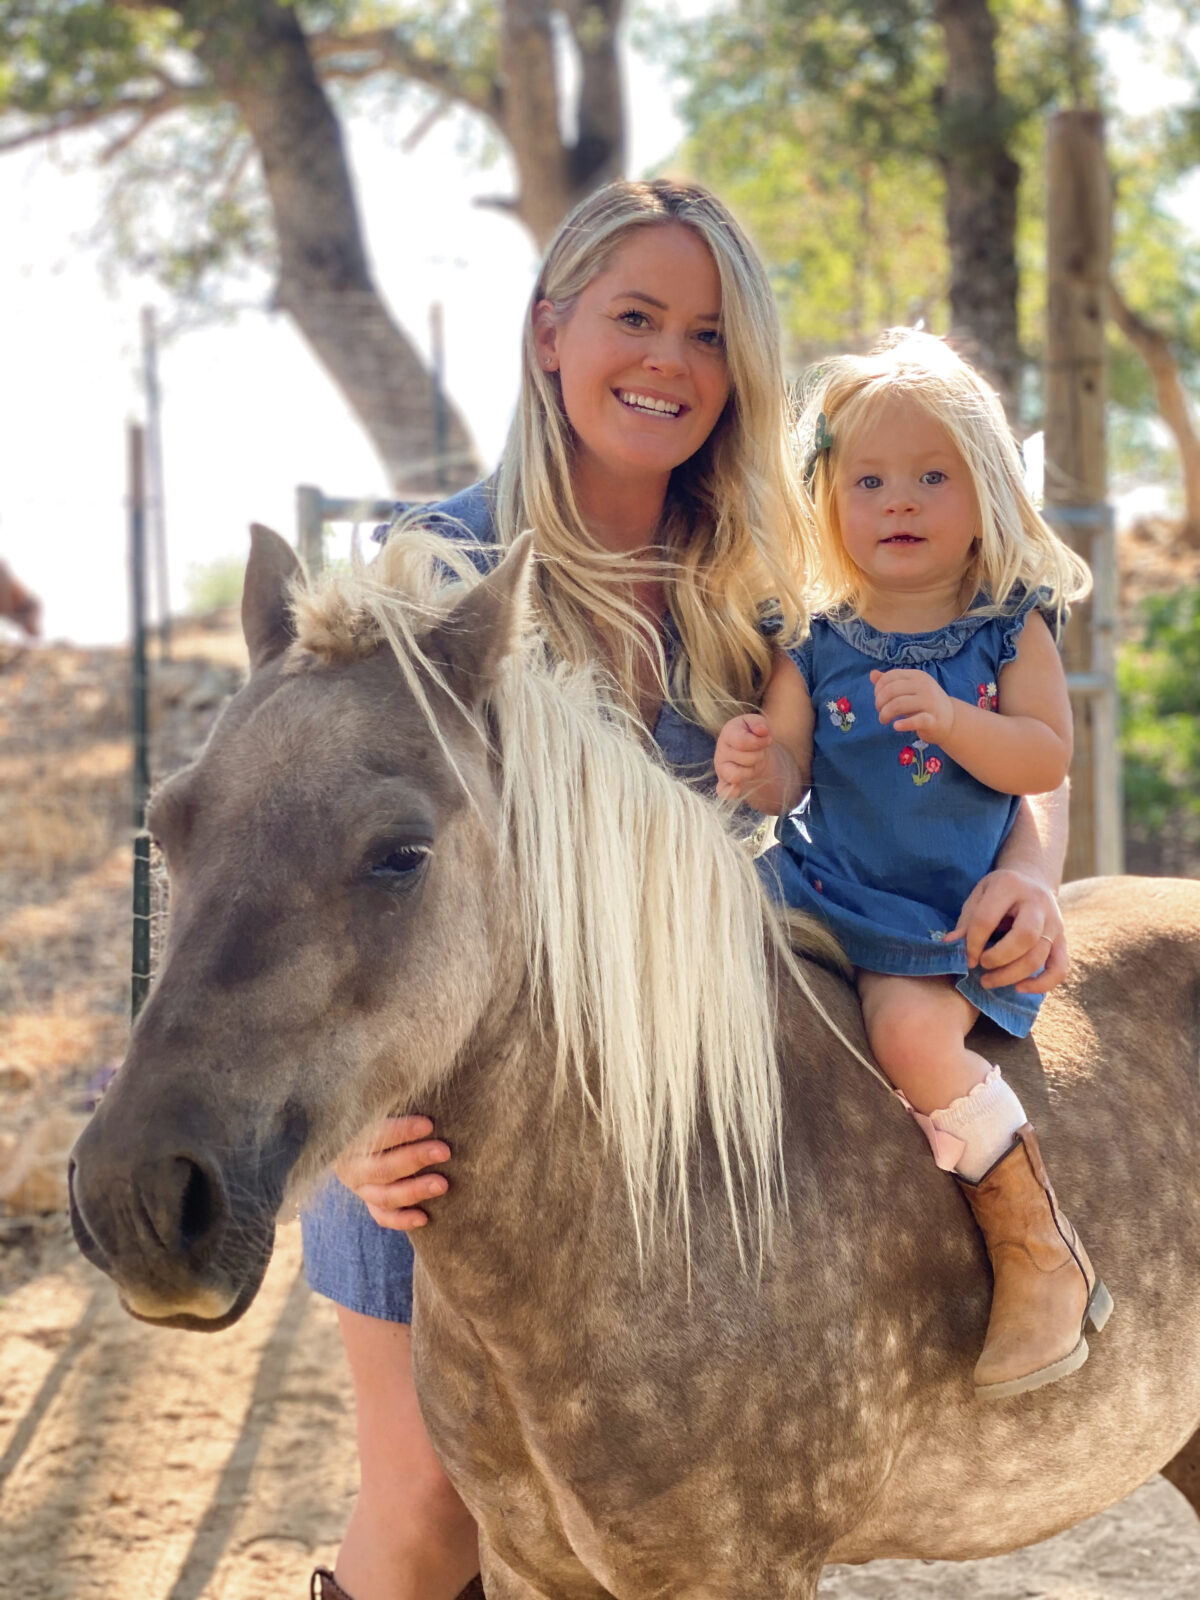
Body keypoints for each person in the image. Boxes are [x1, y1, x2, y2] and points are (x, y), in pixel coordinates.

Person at [304, 189, 1073, 1600]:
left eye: (710, 334)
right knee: (430, 1511)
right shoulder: (435, 572)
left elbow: (978, 736)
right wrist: (354, 1129)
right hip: (436, 1129)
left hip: (688, 1139)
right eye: (635, 318)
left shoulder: (782, 579)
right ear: (551, 334)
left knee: (688, 1510)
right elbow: (327, 879)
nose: (670, 360)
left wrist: (1031, 865)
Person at [713, 328, 1111, 1403]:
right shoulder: (817, 634)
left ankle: (1038, 1249)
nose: (900, 501)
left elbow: (1045, 753)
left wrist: (946, 718)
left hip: (936, 911)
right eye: (871, 480)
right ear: (828, 502)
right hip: (819, 888)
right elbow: (791, 772)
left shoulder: (1003, 631)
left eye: (932, 477)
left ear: (983, 494)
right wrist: (757, 761)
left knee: (907, 1033)